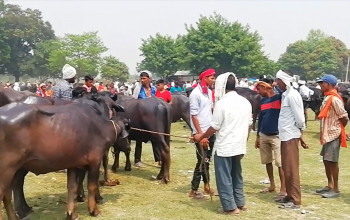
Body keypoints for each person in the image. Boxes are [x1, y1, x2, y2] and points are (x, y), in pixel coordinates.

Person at [194, 72, 251, 215]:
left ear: (221, 86)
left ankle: (230, 207)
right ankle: (240, 202)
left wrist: (201, 136)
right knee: (236, 175)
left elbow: (215, 127)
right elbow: (249, 125)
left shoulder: (221, 103)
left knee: (224, 176)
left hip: (225, 146)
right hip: (239, 145)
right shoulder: (245, 102)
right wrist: (244, 141)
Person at [274, 70, 307, 209]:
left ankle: (295, 200)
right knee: (286, 167)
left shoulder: (293, 95)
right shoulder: (285, 95)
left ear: (284, 81)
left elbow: (299, 117)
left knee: (291, 168)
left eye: (278, 80)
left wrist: (300, 132)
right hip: (285, 135)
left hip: (291, 135)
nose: (276, 83)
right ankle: (289, 194)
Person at [315, 75, 348, 198]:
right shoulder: (327, 97)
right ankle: (329, 185)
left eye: (322, 83)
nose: (320, 85)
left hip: (333, 134)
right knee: (326, 160)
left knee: (332, 162)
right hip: (327, 134)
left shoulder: (334, 99)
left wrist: (338, 129)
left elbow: (344, 117)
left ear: (328, 84)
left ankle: (336, 189)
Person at [255, 79, 286, 198]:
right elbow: (261, 119)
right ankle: (272, 185)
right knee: (267, 161)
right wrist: (258, 136)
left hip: (277, 135)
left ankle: (283, 188)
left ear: (264, 87)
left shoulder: (279, 98)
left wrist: (276, 86)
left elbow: (285, 92)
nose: (258, 92)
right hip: (264, 134)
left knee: (280, 163)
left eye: (259, 89)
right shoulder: (262, 101)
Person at [188, 68, 216, 199]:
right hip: (201, 133)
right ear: (204, 78)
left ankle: (206, 186)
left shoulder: (209, 92)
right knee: (201, 161)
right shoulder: (195, 94)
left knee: (206, 160)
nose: (214, 79)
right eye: (211, 77)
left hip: (209, 130)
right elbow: (194, 115)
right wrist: (200, 135)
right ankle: (193, 190)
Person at [132, 70, 157, 167]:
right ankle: (137, 160)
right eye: (141, 78)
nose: (142, 80)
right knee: (139, 138)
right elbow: (134, 101)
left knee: (155, 137)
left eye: (144, 78)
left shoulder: (154, 89)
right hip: (140, 116)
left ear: (149, 79)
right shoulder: (138, 89)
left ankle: (158, 159)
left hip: (153, 116)